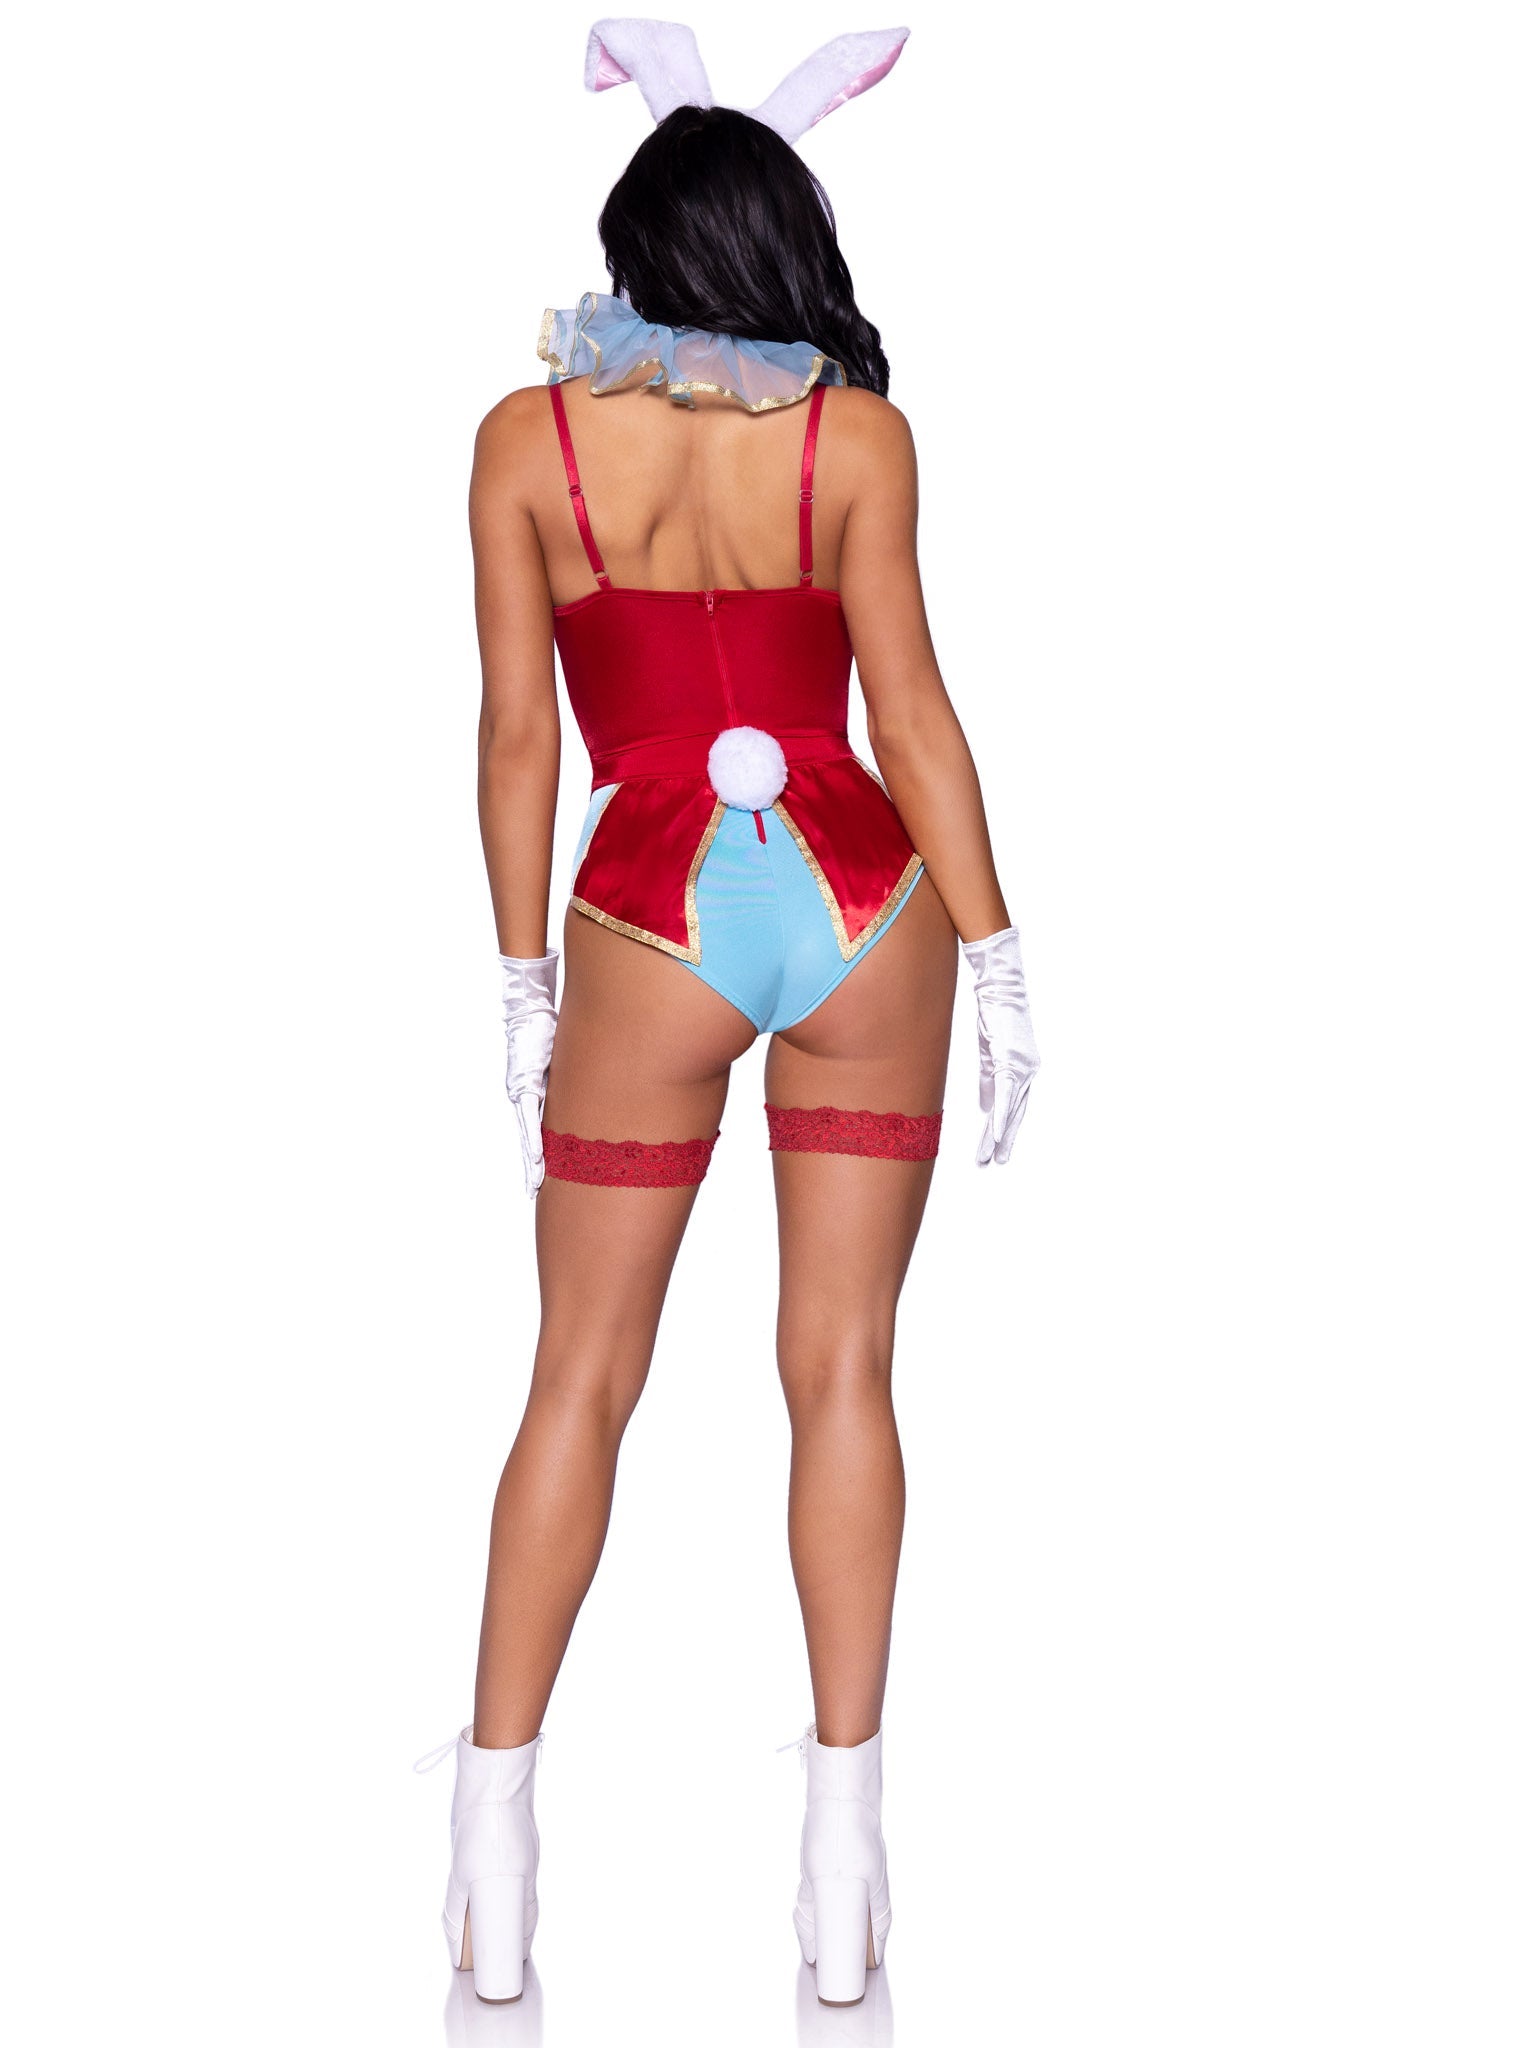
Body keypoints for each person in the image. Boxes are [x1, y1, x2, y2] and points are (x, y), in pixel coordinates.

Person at [427, 20, 1040, 2008]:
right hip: (868, 912)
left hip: (648, 922)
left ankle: (492, 1857)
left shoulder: (526, 443)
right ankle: (846, 1869)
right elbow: (913, 719)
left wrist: (522, 976)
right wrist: (1001, 952)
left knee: (577, 1376)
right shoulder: (856, 441)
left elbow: (520, 738)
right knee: (843, 1369)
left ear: (638, 238)